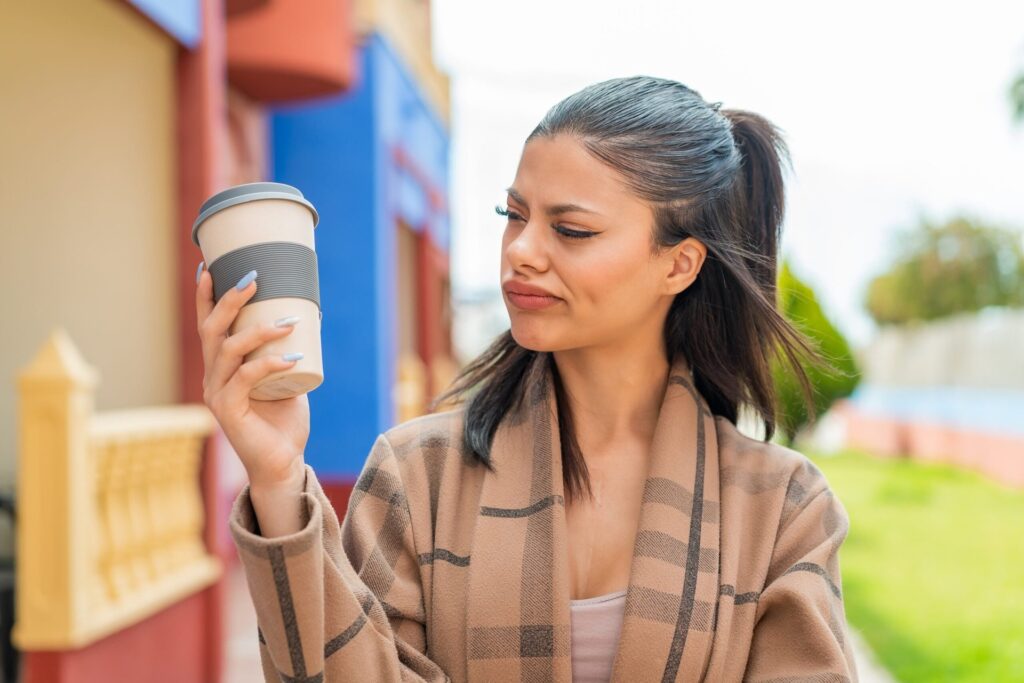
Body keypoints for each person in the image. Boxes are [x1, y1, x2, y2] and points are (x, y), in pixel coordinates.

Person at [196, 75, 859, 682]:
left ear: (680, 265)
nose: (521, 251)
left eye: (570, 229)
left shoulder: (783, 508)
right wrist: (279, 476)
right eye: (513, 215)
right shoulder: (417, 475)